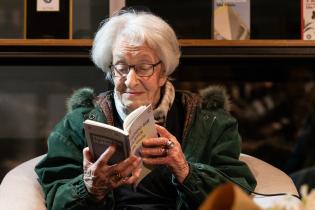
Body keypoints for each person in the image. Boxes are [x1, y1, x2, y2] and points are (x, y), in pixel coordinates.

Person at [35, 10, 256, 210]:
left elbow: (237, 193)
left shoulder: (210, 121)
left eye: (144, 68)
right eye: (121, 68)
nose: (130, 81)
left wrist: (185, 170)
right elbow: (56, 197)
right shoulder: (78, 124)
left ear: (163, 73)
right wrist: (90, 186)